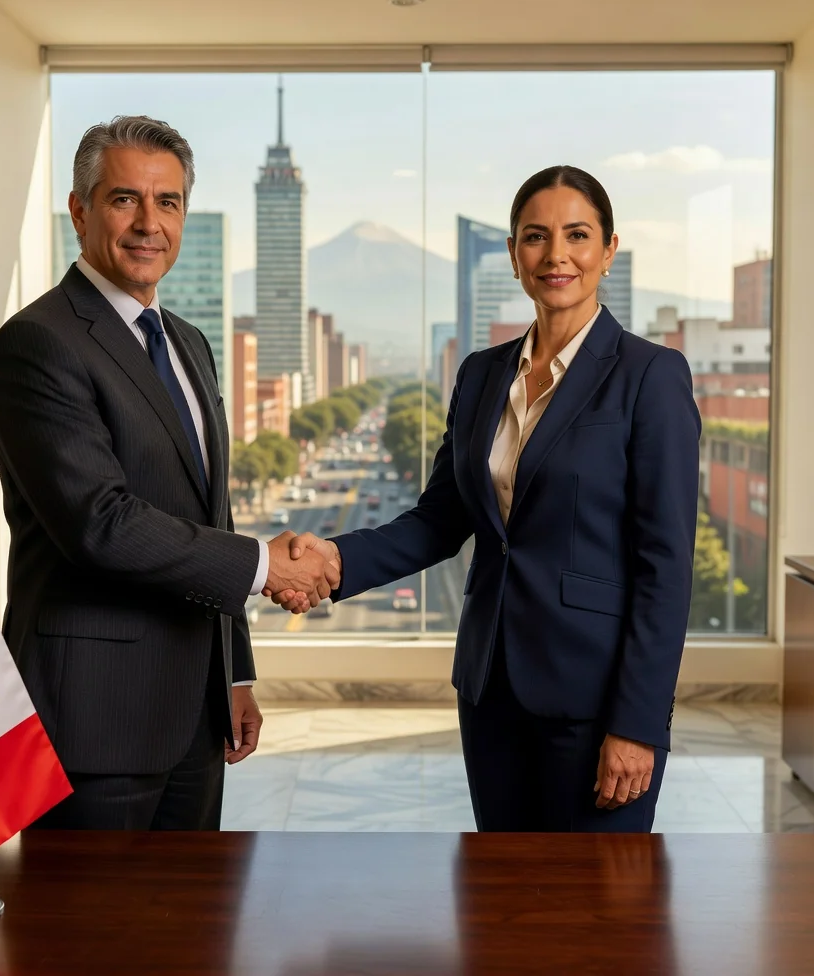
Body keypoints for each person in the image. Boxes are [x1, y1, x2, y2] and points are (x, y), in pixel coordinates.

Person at [270, 166, 700, 832]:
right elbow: (440, 520)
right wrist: (334, 559)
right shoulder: (480, 375)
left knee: (598, 895)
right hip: (489, 689)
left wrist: (639, 723)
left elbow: (665, 566)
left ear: (609, 249)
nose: (556, 255)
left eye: (577, 235)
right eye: (536, 236)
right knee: (498, 889)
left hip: (596, 701)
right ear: (513, 252)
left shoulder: (650, 375)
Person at [0, 115, 337, 831]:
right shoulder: (38, 343)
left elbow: (211, 515)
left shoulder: (189, 342)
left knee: (191, 907)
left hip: (196, 713)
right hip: (94, 715)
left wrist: (235, 671)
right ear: (80, 211)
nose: (150, 223)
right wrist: (265, 565)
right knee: (89, 909)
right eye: (125, 199)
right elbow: (100, 524)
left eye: (167, 202)